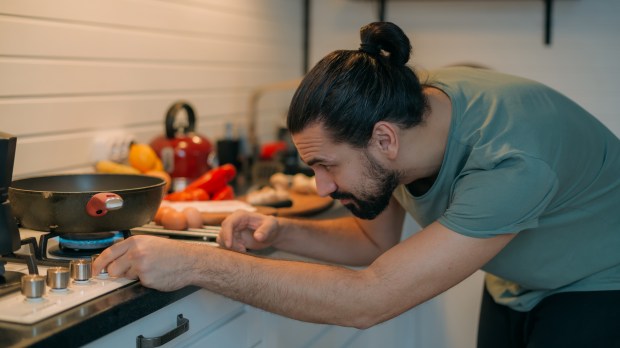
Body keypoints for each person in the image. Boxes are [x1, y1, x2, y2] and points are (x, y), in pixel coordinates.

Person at [93, 22, 620, 347]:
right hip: (515, 281)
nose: (321, 188)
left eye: (327, 165)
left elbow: (369, 301)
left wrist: (194, 262)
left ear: (384, 140)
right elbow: (376, 244)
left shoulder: (511, 161)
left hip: (599, 284)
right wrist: (279, 232)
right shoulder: (405, 113)